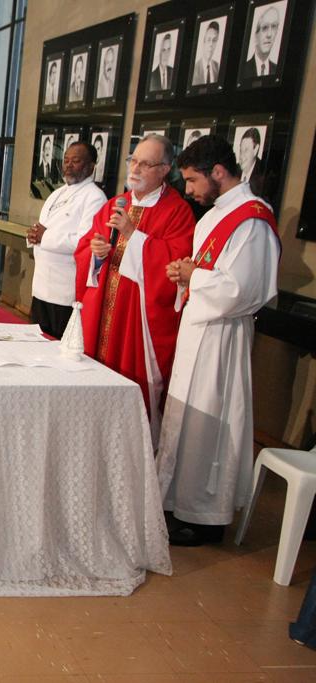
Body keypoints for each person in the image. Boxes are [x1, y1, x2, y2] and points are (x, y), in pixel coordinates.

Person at [156, 134, 279, 546]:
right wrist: (185, 273)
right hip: (199, 330)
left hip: (222, 338)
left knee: (210, 426)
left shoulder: (252, 220)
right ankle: (177, 503)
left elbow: (245, 290)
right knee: (186, 422)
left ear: (219, 173)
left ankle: (207, 517)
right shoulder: (215, 214)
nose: (188, 190)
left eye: (192, 181)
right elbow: (210, 272)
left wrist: (195, 276)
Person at [74, 134, 195, 432]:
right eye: (133, 160)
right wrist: (97, 253)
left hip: (137, 322)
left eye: (145, 163)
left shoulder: (177, 212)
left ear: (165, 170)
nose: (135, 169)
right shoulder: (116, 204)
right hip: (102, 311)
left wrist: (132, 234)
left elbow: (175, 266)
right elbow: (85, 247)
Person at [26, 141, 107, 338]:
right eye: (66, 160)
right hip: (41, 284)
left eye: (76, 161)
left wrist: (45, 236)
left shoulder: (95, 197)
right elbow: (43, 227)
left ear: (91, 166)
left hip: (64, 290)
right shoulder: (57, 193)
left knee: (57, 345)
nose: (68, 165)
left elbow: (85, 242)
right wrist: (33, 235)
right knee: (35, 340)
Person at [243, 5, 280, 78]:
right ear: (255, 35)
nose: (269, 34)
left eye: (273, 27)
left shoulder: (277, 70)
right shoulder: (243, 70)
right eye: (265, 27)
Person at [192, 21, 221, 86]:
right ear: (204, 41)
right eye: (209, 39)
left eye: (214, 40)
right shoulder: (194, 70)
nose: (211, 44)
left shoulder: (218, 68)